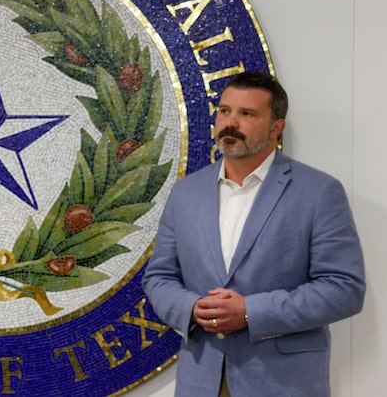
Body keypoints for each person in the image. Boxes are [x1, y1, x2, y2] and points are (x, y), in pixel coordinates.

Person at [142, 71, 365, 396]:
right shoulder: (185, 193)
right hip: (200, 381)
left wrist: (250, 312)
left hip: (282, 383)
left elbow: (344, 289)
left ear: (277, 128)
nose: (231, 123)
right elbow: (159, 277)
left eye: (247, 114)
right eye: (225, 111)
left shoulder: (319, 192)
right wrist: (191, 308)